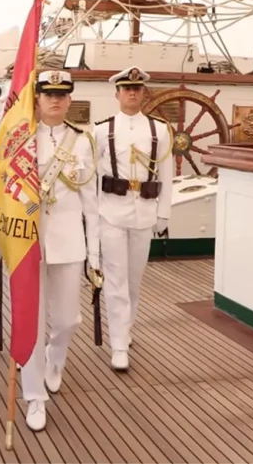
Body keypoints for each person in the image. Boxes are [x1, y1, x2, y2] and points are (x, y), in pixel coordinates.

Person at [17, 70, 100, 432]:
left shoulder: (83, 141)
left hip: (68, 242)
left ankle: (55, 358)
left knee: (68, 319)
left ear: (69, 99)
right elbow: (5, 192)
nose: (55, 100)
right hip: (27, 241)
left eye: (61, 94)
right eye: (48, 94)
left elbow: (92, 204)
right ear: (36, 98)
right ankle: (34, 395)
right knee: (30, 322)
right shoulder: (21, 139)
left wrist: (95, 257)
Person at [94, 66, 173, 371]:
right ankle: (117, 344)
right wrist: (92, 216)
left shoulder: (159, 130)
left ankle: (125, 330)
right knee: (115, 280)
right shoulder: (102, 130)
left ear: (143, 93)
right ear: (116, 94)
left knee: (134, 281)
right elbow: (93, 177)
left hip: (144, 212)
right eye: (126, 88)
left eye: (136, 89)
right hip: (111, 211)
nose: (131, 93)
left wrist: (164, 213)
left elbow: (166, 173)